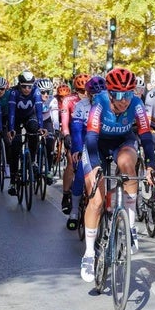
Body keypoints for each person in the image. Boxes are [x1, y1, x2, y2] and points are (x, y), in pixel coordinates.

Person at [80, 68, 155, 282]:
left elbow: (144, 134)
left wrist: (151, 165)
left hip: (123, 143)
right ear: (110, 93)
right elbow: (91, 138)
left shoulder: (137, 104)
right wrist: (95, 166)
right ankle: (88, 254)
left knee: (127, 164)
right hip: (97, 146)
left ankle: (130, 225)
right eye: (121, 95)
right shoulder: (99, 104)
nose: (125, 100)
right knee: (96, 200)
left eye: (129, 94)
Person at [66, 75, 106, 230]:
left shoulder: (109, 106)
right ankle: (74, 210)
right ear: (88, 94)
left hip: (101, 140)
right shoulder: (81, 106)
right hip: (84, 139)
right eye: (93, 96)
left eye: (100, 95)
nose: (97, 98)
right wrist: (77, 149)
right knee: (81, 174)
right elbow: (76, 130)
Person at [7, 70, 45, 196]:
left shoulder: (36, 91)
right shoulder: (14, 92)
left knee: (34, 130)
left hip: (30, 116)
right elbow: (11, 112)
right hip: (16, 118)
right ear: (19, 85)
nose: (27, 89)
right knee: (16, 145)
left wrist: (41, 127)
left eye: (30, 86)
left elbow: (39, 111)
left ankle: (32, 161)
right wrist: (11, 129)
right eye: (24, 86)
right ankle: (12, 180)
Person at [59, 74, 89, 213]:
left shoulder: (94, 100)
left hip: (88, 135)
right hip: (72, 133)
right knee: (72, 162)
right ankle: (66, 194)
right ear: (76, 90)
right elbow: (65, 120)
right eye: (81, 91)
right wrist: (66, 134)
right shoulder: (68, 100)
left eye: (86, 90)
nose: (84, 94)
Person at [36, 78, 59, 185]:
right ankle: (33, 163)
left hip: (47, 120)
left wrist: (56, 129)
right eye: (42, 92)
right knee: (34, 140)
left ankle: (49, 170)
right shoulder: (33, 98)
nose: (46, 95)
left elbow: (54, 116)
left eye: (48, 92)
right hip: (35, 119)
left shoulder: (53, 100)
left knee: (50, 142)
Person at [0, 76, 11, 177]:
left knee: (7, 142)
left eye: (2, 89)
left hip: (6, 119)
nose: (0, 91)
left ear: (5, 88)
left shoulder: (9, 95)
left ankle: (7, 165)